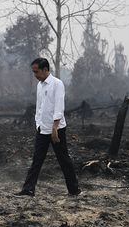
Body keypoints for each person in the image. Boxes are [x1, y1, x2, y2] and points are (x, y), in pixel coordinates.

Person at [16, 58, 81, 197]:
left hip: (56, 130)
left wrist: (55, 128)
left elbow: (59, 107)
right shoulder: (40, 85)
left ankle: (74, 190)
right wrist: (37, 123)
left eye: (36, 72)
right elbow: (39, 106)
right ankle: (28, 189)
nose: (35, 75)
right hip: (42, 129)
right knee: (37, 160)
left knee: (63, 159)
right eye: (33, 72)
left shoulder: (57, 84)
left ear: (45, 69)